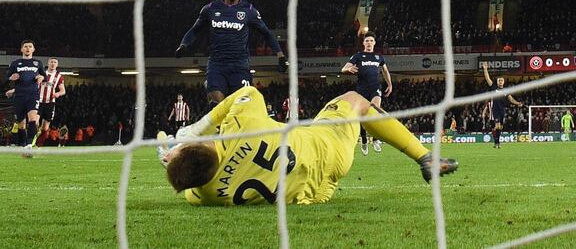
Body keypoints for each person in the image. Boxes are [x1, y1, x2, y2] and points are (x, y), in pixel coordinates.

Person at [159, 86, 458, 205]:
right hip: (326, 147)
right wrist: (195, 130)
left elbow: (190, 186)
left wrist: (176, 161)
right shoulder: (243, 126)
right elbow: (247, 92)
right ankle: (425, 156)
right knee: (355, 100)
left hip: (315, 192)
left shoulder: (203, 195)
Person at [175, 0, 287, 105]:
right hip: (217, 63)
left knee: (240, 105)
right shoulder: (210, 8)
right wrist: (183, 45)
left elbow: (267, 33)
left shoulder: (249, 11)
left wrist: (281, 56)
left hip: (239, 65)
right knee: (216, 102)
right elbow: (194, 30)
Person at [341, 34, 393, 155]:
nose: (369, 43)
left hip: (375, 87)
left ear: (374, 43)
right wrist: (348, 69)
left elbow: (385, 71)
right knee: (363, 116)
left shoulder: (379, 57)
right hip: (362, 88)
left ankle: (375, 139)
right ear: (364, 43)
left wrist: (389, 84)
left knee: (375, 110)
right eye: (367, 41)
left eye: (371, 41)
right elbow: (343, 69)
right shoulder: (358, 56)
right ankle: (364, 139)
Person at [4, 40, 44, 152]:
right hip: (19, 96)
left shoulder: (38, 63)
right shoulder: (15, 63)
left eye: (30, 46)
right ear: (21, 49)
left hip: (33, 95)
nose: (27, 48)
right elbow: (6, 77)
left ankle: (29, 144)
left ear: (33, 49)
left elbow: (43, 76)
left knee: (33, 119)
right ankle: (23, 144)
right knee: (21, 124)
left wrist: (41, 78)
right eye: (25, 46)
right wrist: (11, 78)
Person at [482, 62, 523, 148]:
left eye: (501, 80)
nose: (500, 82)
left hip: (502, 110)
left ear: (503, 82)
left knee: (500, 127)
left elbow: (511, 99)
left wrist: (518, 103)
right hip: (495, 110)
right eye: (499, 80)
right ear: (497, 82)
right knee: (497, 126)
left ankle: (497, 143)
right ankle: (497, 144)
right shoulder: (493, 87)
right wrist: (485, 69)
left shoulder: (506, 91)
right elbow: (487, 78)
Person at [33, 57, 66, 146]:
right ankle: (31, 142)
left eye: (55, 62)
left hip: (50, 103)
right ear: (48, 63)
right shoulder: (41, 73)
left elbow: (63, 91)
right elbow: (33, 83)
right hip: (39, 101)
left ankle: (39, 144)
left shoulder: (59, 76)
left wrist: (58, 94)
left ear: (57, 65)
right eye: (51, 62)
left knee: (45, 128)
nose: (53, 63)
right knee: (35, 122)